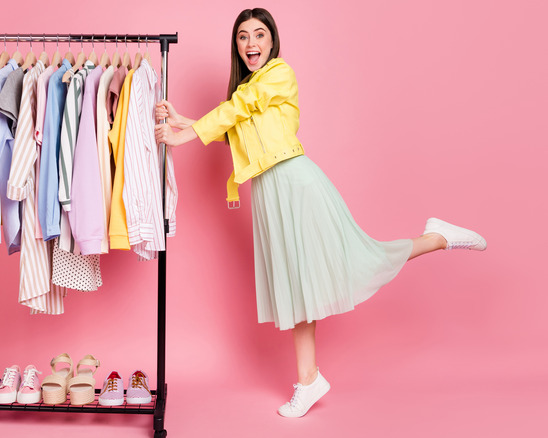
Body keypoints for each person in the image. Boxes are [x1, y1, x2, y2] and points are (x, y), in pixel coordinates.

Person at [154, 7, 487, 418]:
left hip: (296, 184)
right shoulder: (247, 90)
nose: (251, 43)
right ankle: (309, 380)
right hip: (269, 193)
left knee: (354, 261)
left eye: (259, 34)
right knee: (300, 287)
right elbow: (237, 133)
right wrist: (185, 121)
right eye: (243, 36)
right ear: (236, 45)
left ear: (272, 41)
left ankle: (438, 237)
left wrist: (184, 135)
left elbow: (241, 106)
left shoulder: (277, 74)